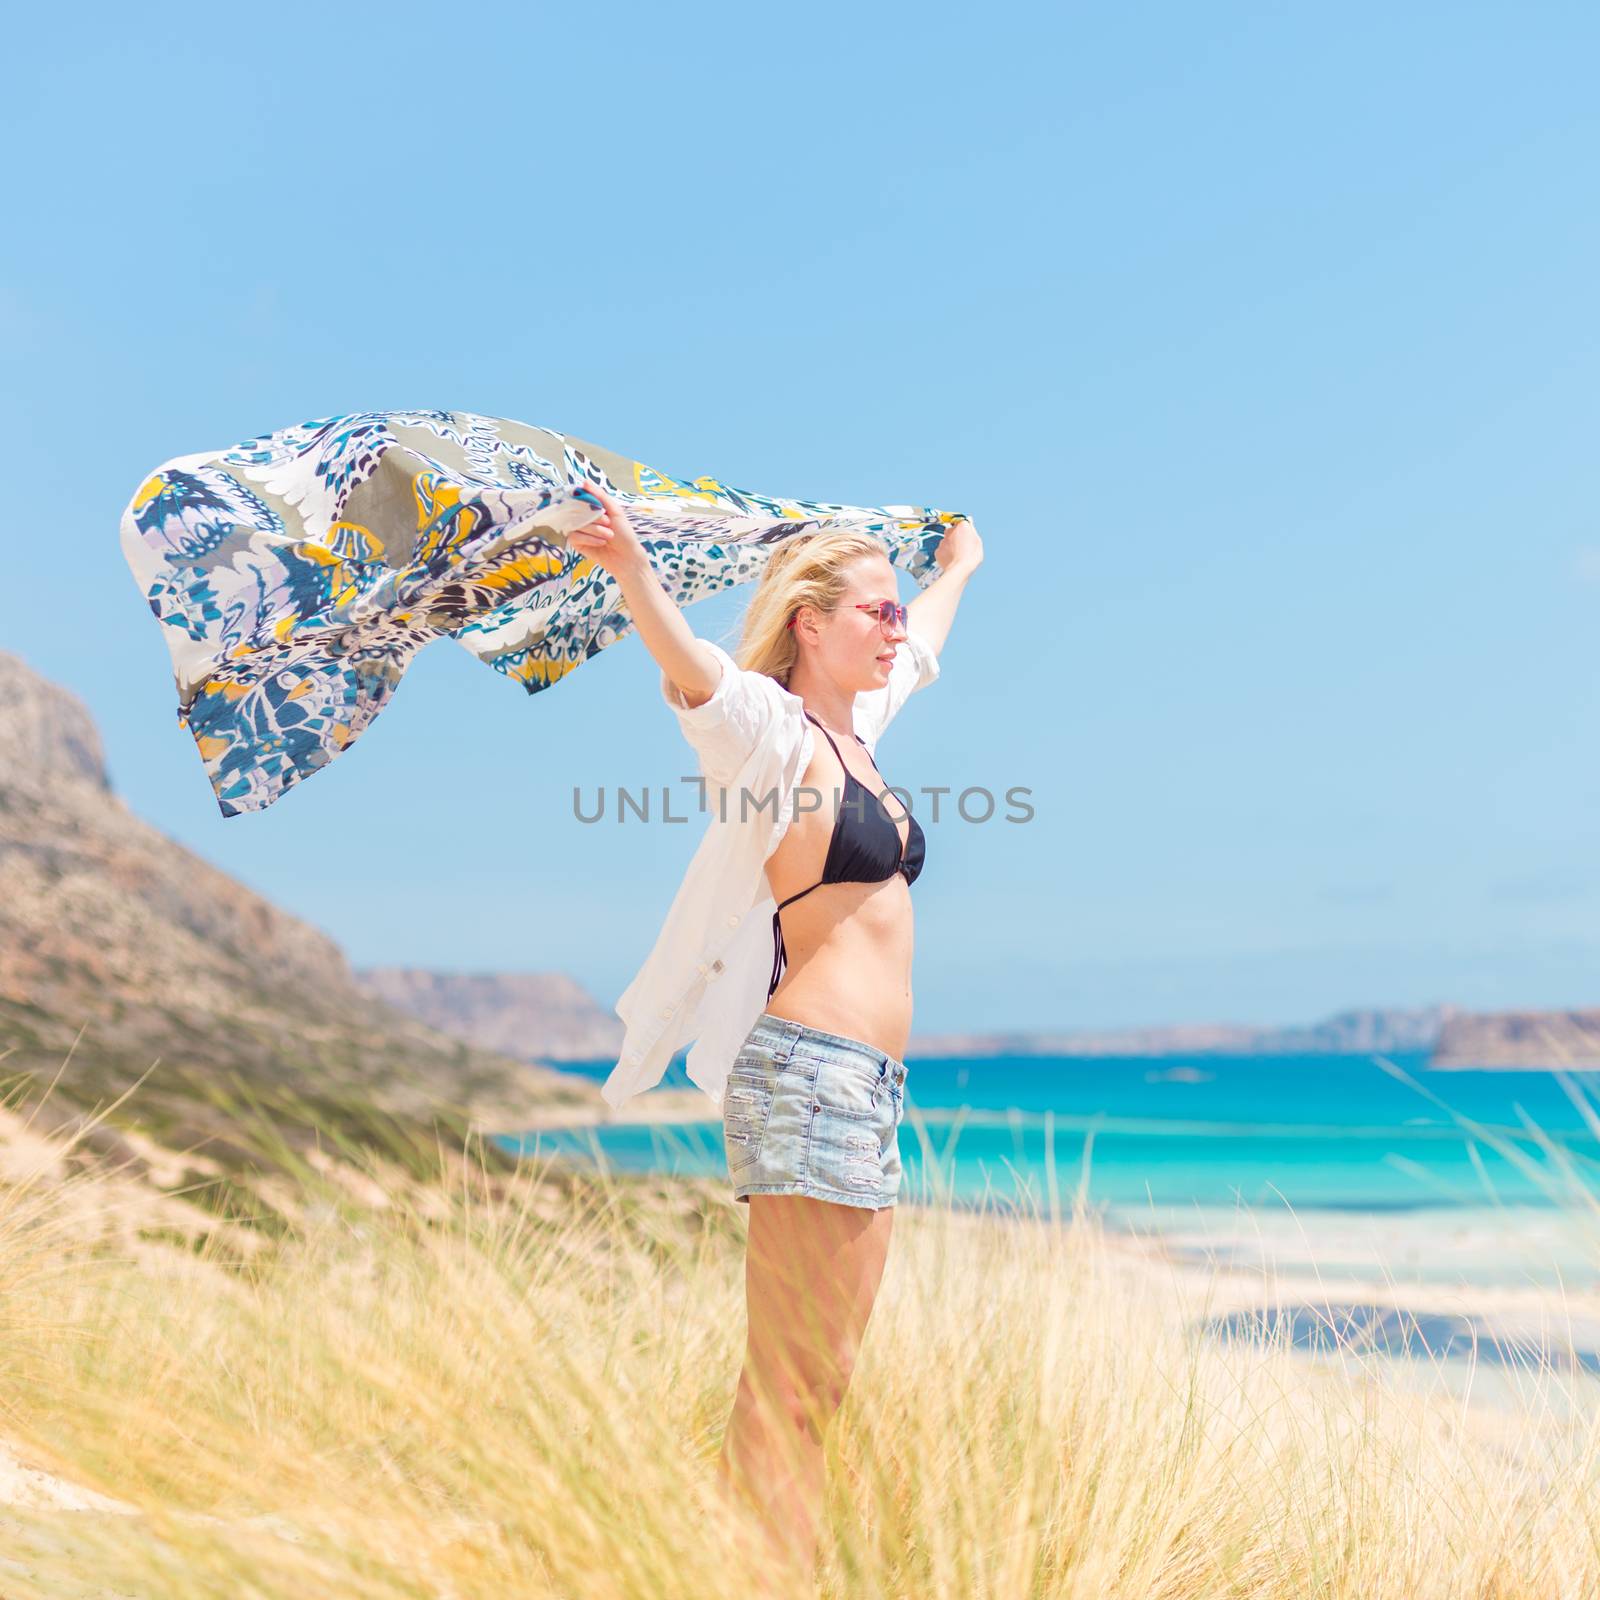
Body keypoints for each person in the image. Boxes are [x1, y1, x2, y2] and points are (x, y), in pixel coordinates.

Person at [570, 485, 982, 1576]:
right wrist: (628, 571)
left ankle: (733, 1568)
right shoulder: (770, 733)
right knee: (800, 1379)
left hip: (863, 1086)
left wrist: (954, 573)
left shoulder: (859, 736)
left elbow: (926, 648)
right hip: (810, 1072)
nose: (894, 631)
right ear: (809, 622)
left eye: (895, 613)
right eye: (874, 612)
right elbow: (694, 672)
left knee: (816, 1377)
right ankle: (756, 1573)